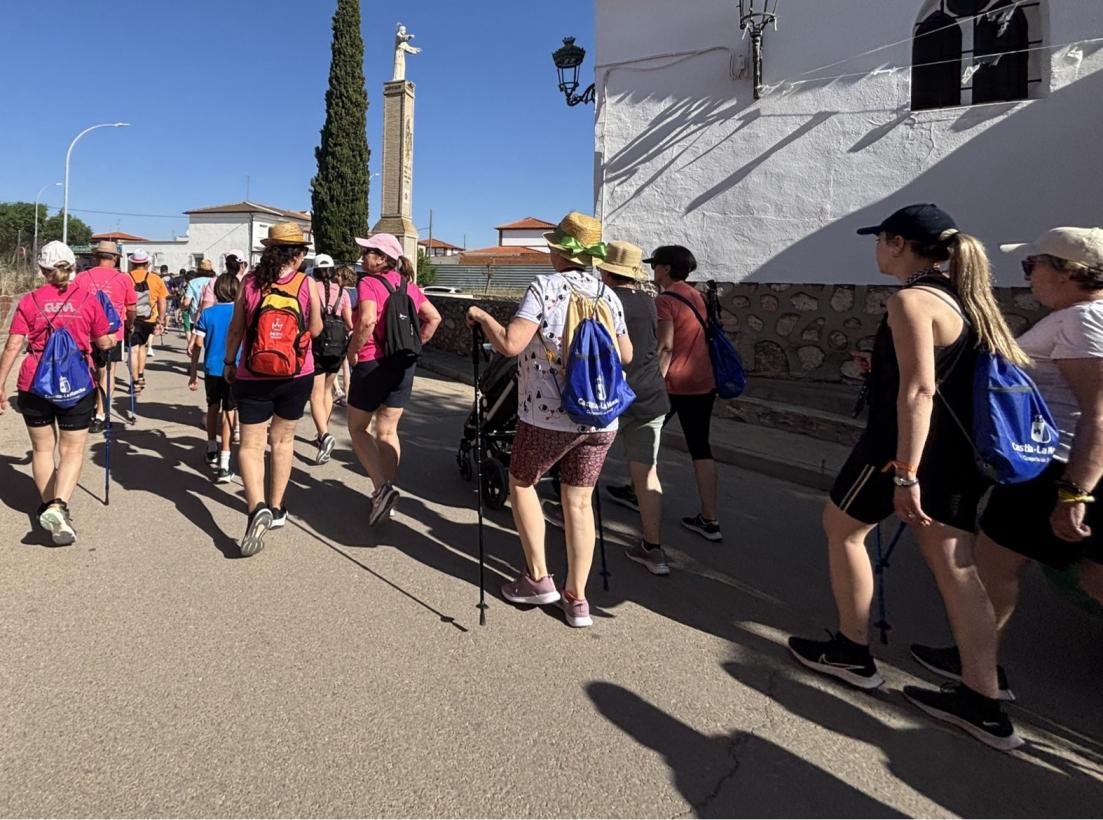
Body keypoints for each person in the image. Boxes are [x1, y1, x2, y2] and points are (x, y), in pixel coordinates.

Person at [787, 204, 1029, 751]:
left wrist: (905, 474)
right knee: (956, 567)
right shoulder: (965, 296)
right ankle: (984, 698)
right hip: (957, 456)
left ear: (898, 244)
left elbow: (919, 392)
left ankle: (852, 649)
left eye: (880, 240)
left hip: (902, 452)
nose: (875, 249)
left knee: (841, 528)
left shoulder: (911, 300)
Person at [911, 227, 1103, 695]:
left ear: (1068, 272)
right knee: (1087, 573)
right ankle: (976, 660)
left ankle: (979, 679)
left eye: (1032, 264)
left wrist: (1076, 491)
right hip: (1060, 465)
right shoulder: (1080, 317)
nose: (1028, 275)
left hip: (1054, 468)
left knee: (992, 567)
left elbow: (1098, 413)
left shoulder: (1082, 322)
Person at [466, 212, 632, 628]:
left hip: (548, 416)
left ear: (561, 251)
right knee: (578, 503)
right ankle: (577, 599)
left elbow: (510, 344)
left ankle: (538, 578)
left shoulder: (545, 287)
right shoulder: (608, 295)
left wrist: (483, 318)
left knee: (522, 481)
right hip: (600, 418)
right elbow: (626, 355)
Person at [0, 241, 114, 545]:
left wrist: (0, 383)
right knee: (72, 451)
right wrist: (112, 341)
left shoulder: (29, 301)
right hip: (76, 384)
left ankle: (49, 506)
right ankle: (59, 506)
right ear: (73, 267)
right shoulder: (89, 300)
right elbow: (103, 342)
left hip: (34, 381)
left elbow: (13, 345)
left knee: (41, 450)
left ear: (42, 269)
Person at [223, 222, 322, 556]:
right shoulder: (306, 284)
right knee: (282, 441)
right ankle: (277, 509)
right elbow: (317, 328)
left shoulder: (250, 282)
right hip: (296, 374)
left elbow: (236, 329)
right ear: (297, 254)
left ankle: (256, 507)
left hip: (253, 372)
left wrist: (228, 363)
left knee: (250, 445)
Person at [346, 234, 441, 524]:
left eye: (369, 252)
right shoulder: (409, 286)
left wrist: (353, 351)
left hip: (373, 362)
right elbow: (434, 318)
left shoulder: (368, 283)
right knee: (387, 432)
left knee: (358, 428)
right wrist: (416, 347)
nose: (363, 256)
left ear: (383, 258)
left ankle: (382, 489)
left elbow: (367, 320)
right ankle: (385, 492)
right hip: (403, 365)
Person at [597, 241, 672, 575]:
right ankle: (653, 548)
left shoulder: (603, 301)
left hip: (611, 396)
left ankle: (571, 519)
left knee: (586, 464)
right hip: (650, 395)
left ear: (606, 270)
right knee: (647, 473)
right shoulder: (650, 302)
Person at [651, 245, 722, 542]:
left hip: (673, 383)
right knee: (700, 447)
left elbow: (666, 346)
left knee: (645, 439)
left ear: (666, 268)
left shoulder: (665, 300)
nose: (652, 269)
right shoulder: (696, 296)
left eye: (655, 264)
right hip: (703, 381)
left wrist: (654, 380)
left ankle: (639, 493)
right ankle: (710, 519)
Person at [75, 240, 136, 433]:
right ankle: (101, 413)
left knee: (85, 370)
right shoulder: (124, 279)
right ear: (115, 259)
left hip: (85, 332)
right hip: (112, 333)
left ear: (95, 257)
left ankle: (84, 407)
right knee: (107, 372)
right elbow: (132, 307)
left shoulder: (81, 277)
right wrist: (129, 324)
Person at [188, 273, 241, 483]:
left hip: (212, 368)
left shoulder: (207, 314)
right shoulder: (240, 314)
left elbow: (198, 344)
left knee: (212, 406)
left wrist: (193, 371)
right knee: (230, 412)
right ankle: (225, 462)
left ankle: (211, 448)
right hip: (234, 368)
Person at [307, 254, 353, 464]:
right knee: (327, 391)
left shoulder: (310, 288)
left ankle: (324, 435)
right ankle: (321, 433)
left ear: (315, 271)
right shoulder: (342, 292)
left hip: (316, 345)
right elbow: (349, 323)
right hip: (338, 347)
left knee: (315, 394)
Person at [126, 249, 168, 393]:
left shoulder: (126, 277)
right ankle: (141, 375)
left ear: (132, 263)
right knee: (142, 346)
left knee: (133, 349)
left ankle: (134, 381)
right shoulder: (156, 279)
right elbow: (162, 301)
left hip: (130, 318)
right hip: (149, 318)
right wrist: (161, 320)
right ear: (147, 263)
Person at [334, 265, 359, 407]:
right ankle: (348, 393)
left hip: (342, 331)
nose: (335, 277)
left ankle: (339, 391)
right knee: (348, 365)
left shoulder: (341, 293)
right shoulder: (359, 292)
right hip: (355, 332)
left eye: (338, 275)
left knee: (340, 365)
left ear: (344, 277)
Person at [183, 258, 215, 345]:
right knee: (210, 342)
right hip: (213, 313)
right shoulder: (216, 281)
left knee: (196, 341)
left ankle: (193, 355)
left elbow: (186, 302)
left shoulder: (193, 282)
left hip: (196, 315)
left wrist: (182, 307)